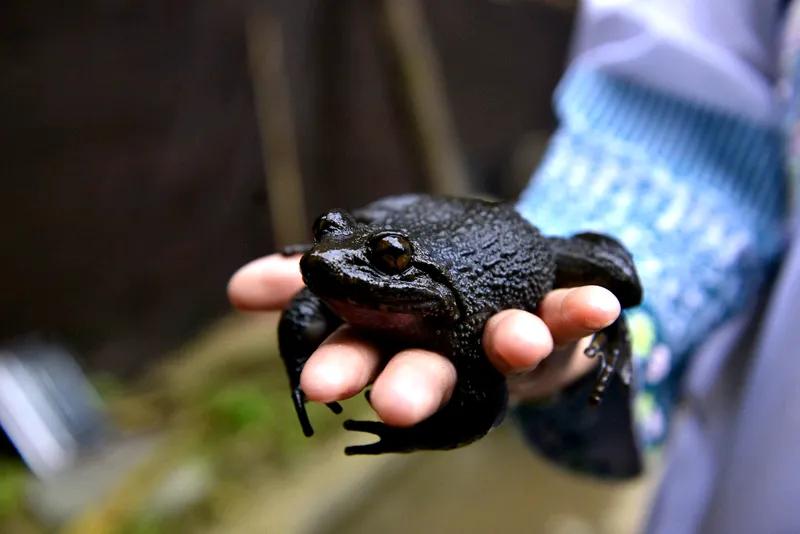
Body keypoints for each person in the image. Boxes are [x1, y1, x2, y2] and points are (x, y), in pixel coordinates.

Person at [229, 0, 800, 531]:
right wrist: (299, 363)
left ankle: (621, 328)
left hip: (518, 249)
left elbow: (480, 403)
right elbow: (680, 108)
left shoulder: (457, 324)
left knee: (619, 286)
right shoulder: (335, 279)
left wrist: (417, 436)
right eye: (322, 239)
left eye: (388, 261)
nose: (327, 263)